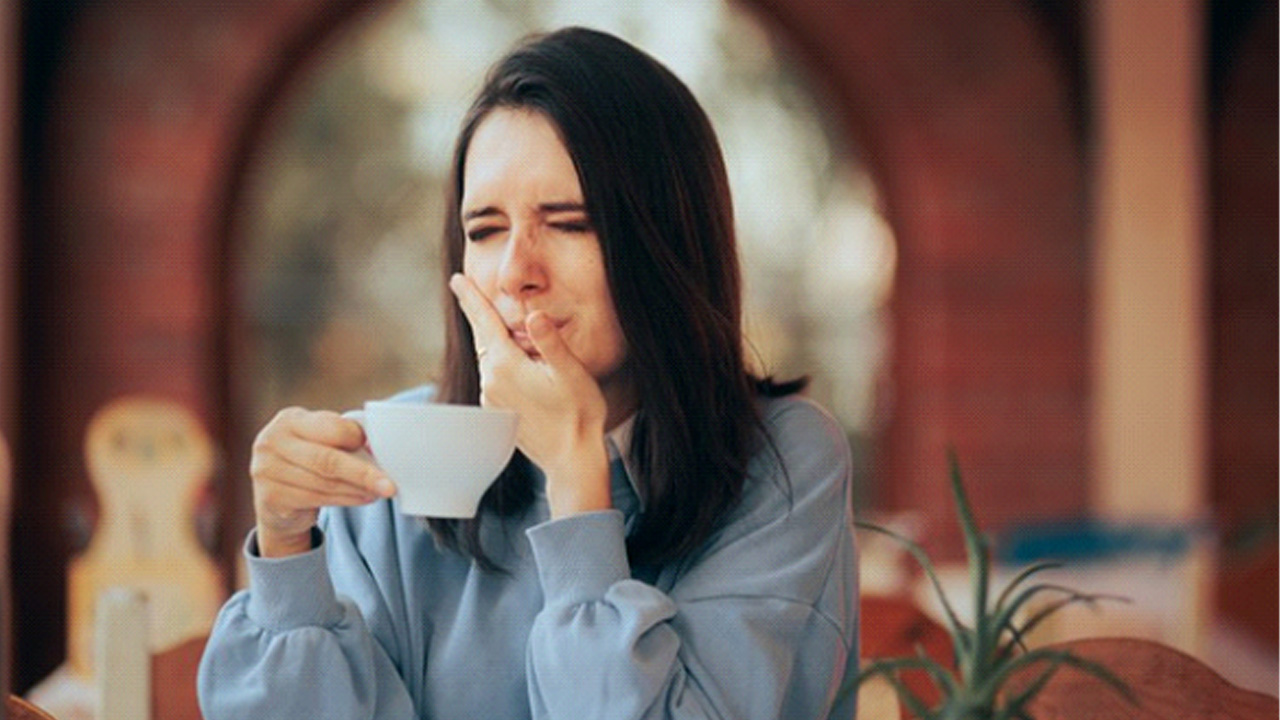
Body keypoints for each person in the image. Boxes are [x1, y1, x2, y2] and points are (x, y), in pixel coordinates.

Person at [198, 27, 859, 720]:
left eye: (569, 223)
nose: (516, 272)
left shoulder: (783, 462)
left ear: (669, 243)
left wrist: (577, 481)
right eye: (484, 230)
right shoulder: (398, 457)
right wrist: (285, 549)